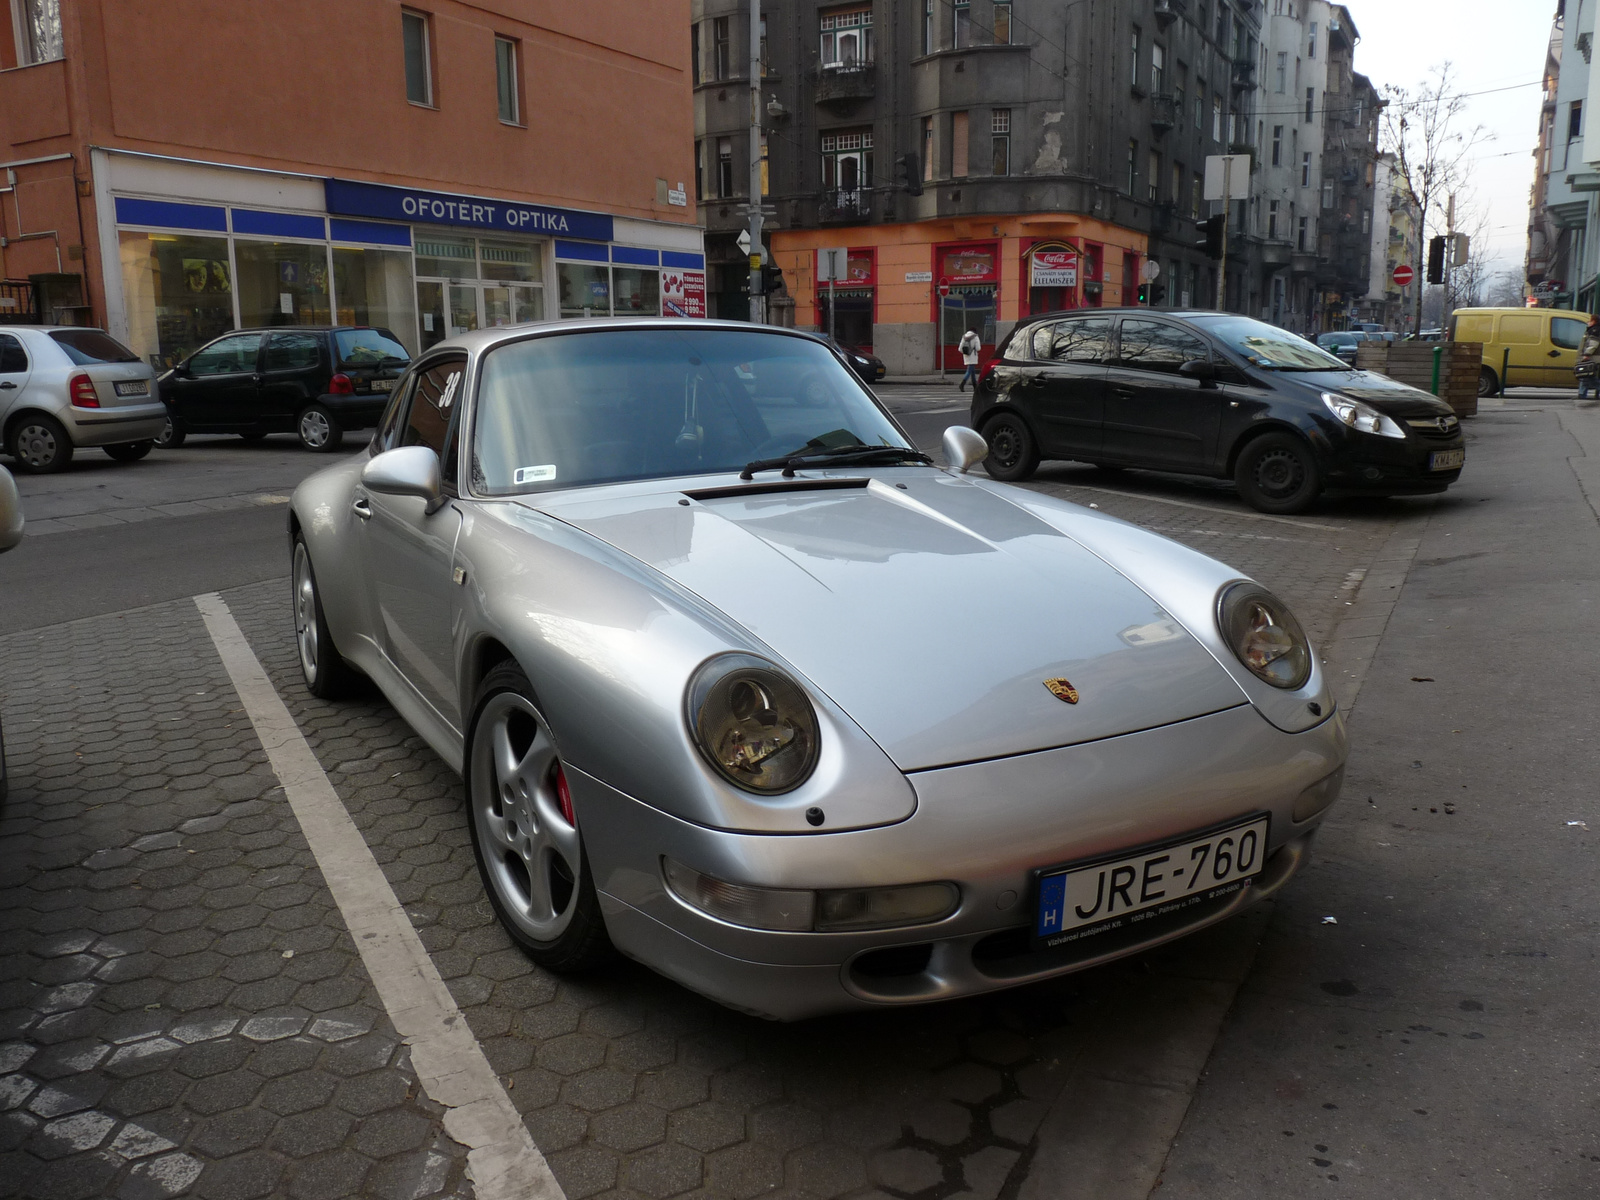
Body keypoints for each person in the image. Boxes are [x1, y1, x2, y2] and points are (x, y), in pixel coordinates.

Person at [1579, 316, 1600, 400]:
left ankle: (1582, 395)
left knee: (1586, 377)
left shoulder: (1594, 331)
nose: (1588, 321)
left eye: (1590, 320)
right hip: (1593, 358)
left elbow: (1593, 344)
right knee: (1586, 376)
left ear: (1594, 321)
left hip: (1592, 358)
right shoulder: (1592, 329)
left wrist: (1587, 354)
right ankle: (1581, 394)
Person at [957, 326, 982, 392]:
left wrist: (966, 352)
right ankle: (962, 384)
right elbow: (978, 348)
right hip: (973, 355)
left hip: (966, 356)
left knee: (972, 371)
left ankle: (975, 385)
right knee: (969, 370)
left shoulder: (964, 337)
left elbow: (960, 349)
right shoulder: (975, 337)